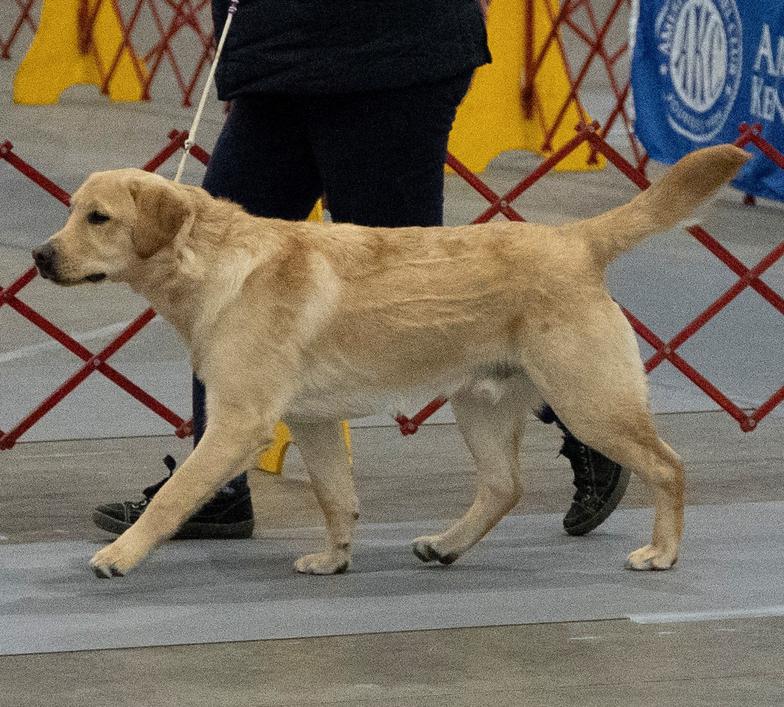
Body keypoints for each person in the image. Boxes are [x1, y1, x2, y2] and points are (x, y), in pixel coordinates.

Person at [92, 0, 628, 542]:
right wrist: (239, 63)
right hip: (277, 64)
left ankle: (581, 420)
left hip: (389, 59)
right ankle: (217, 492)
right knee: (213, 275)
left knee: (418, 294)